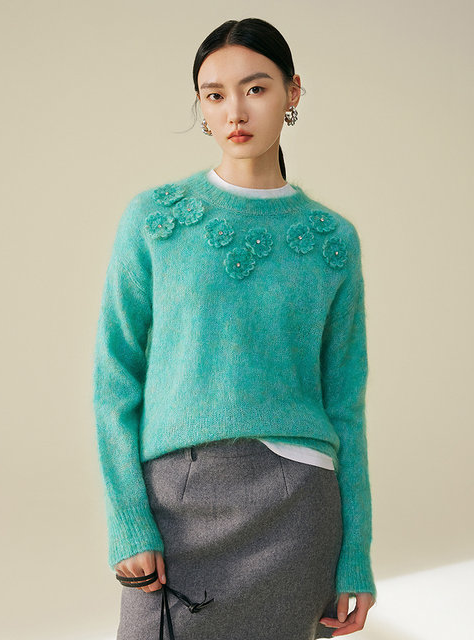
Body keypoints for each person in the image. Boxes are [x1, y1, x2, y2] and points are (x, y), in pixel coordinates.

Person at [92, 17, 377, 640]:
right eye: (214, 95)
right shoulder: (154, 219)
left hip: (298, 506)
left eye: (256, 88)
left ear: (292, 92)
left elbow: (345, 406)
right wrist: (127, 520)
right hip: (177, 499)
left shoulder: (333, 240)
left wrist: (355, 553)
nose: (234, 111)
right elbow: (115, 377)